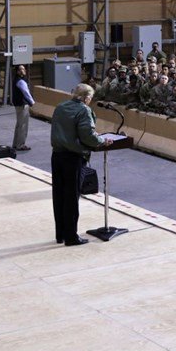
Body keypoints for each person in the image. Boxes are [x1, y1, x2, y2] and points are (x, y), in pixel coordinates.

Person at [51, 83, 106, 246]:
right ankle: (71, 237)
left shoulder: (60, 106)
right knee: (71, 198)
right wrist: (102, 140)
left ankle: (60, 234)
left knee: (59, 196)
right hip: (73, 158)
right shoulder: (84, 110)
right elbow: (87, 135)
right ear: (87, 98)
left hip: (57, 155)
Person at [12, 65, 35, 151]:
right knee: (23, 126)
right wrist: (32, 103)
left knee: (19, 125)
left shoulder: (16, 79)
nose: (24, 70)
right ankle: (20, 145)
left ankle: (15, 144)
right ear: (18, 71)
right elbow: (26, 93)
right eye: (22, 69)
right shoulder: (21, 81)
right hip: (22, 105)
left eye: (24, 69)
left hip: (18, 105)